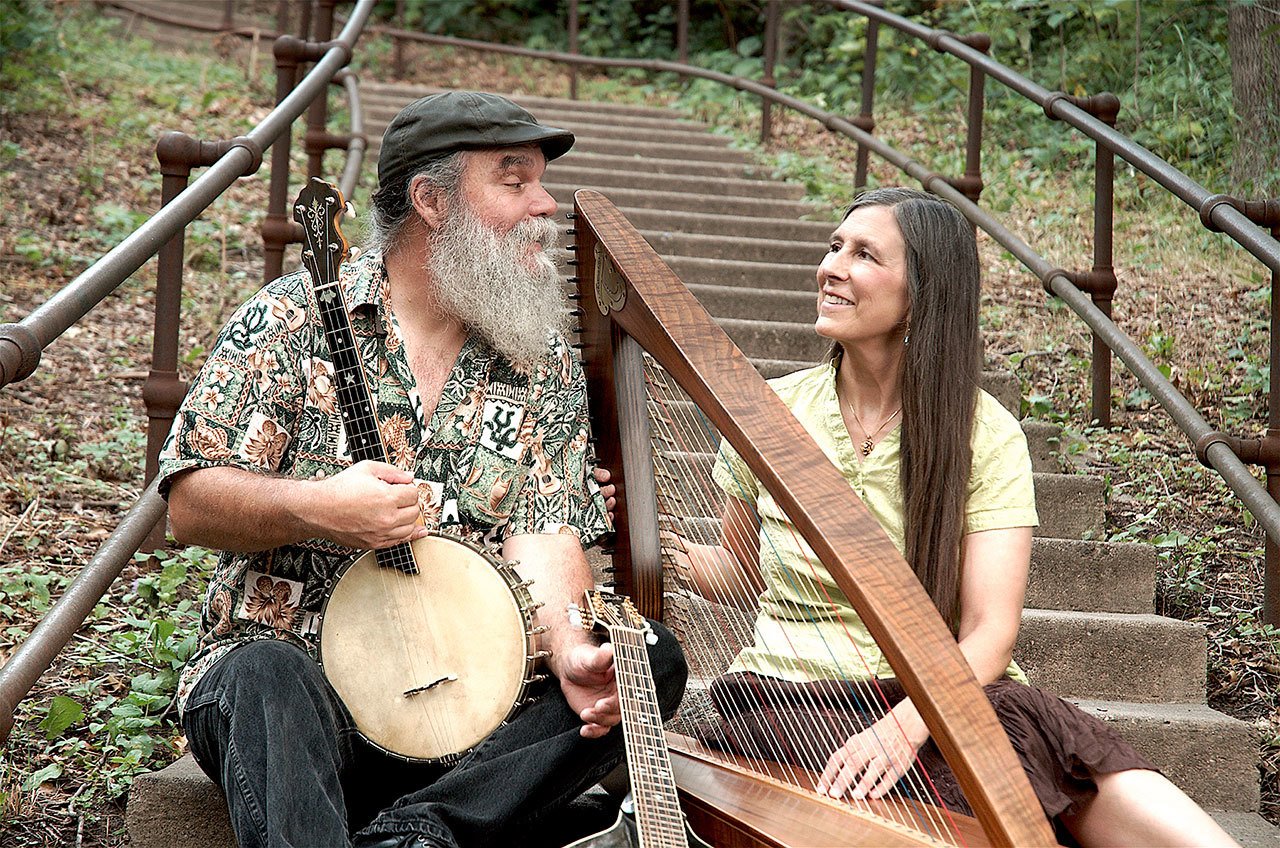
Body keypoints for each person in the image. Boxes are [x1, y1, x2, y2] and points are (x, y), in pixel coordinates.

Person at [157, 91, 687, 848]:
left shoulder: (539, 359)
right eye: (514, 180)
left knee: (646, 659)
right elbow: (190, 504)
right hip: (304, 704)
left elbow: (545, 530)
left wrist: (570, 643)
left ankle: (417, 835)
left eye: (540, 180)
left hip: (469, 715)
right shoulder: (292, 318)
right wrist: (319, 507)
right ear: (432, 201)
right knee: (264, 674)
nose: (546, 204)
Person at [674, 187, 1236, 846]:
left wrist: (906, 724)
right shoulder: (767, 411)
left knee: (1043, 739)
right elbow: (740, 568)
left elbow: (990, 633)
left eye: (863, 255)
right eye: (834, 247)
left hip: (941, 692)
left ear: (922, 292)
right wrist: (664, 548)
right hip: (790, 696)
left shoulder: (982, 433)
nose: (831, 267)